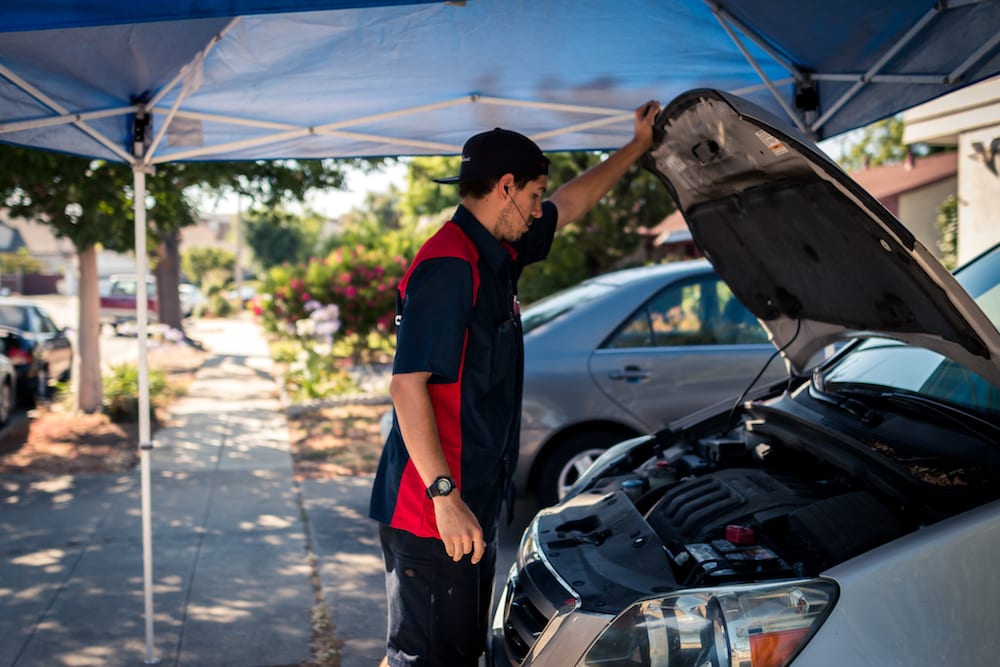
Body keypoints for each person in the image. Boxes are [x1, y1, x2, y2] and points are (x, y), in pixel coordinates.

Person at [369, 100, 661, 667]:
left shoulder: (497, 250)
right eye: (531, 196)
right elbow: (407, 387)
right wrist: (445, 499)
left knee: (455, 652)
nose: (537, 211)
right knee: (424, 658)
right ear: (505, 187)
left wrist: (636, 147)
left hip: (466, 500)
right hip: (433, 509)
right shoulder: (450, 265)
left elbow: (570, 203)